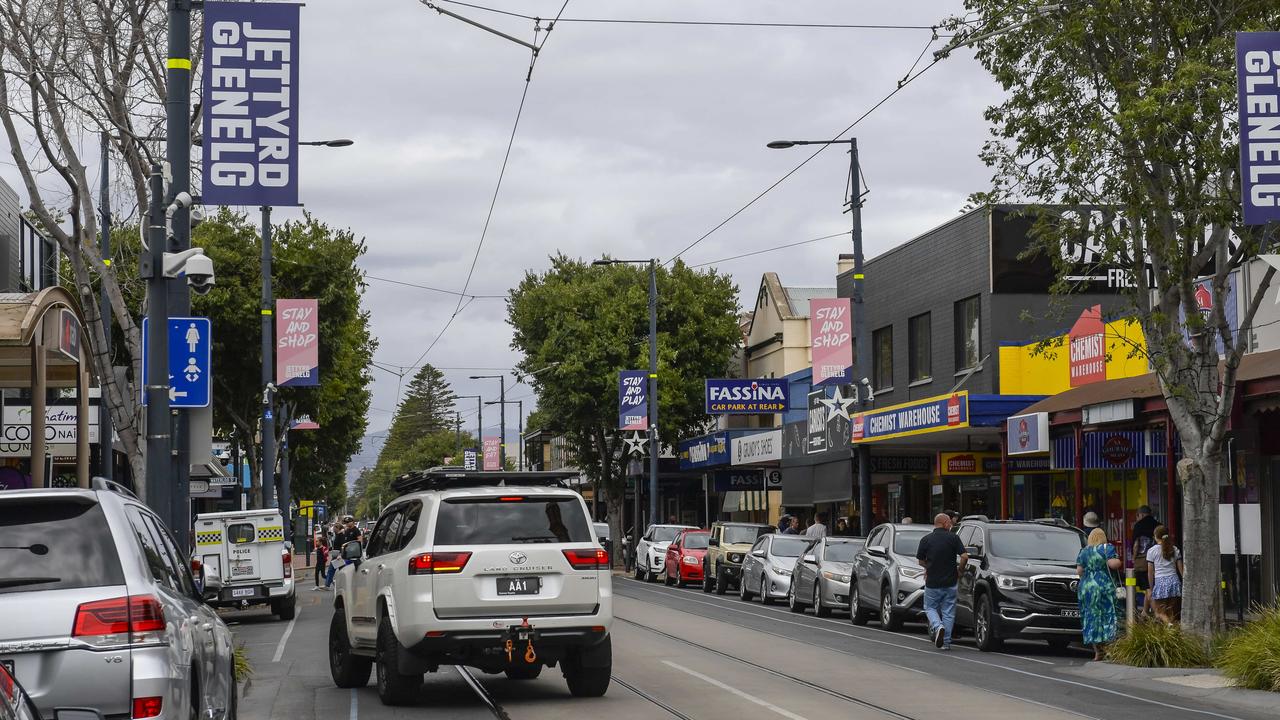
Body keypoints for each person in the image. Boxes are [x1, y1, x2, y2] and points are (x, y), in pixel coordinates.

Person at [916, 513, 969, 650]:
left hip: (932, 581)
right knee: (948, 612)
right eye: (949, 523)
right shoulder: (954, 538)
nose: (951, 525)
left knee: (930, 607)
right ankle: (945, 643)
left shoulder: (926, 540)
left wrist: (929, 567)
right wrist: (960, 571)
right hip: (951, 581)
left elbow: (921, 560)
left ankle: (938, 626)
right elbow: (964, 556)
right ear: (944, 523)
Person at [1076, 528, 1122, 660]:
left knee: (1091, 617)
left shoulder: (1084, 551)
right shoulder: (1107, 548)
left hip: (1087, 588)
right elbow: (1113, 565)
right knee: (1109, 615)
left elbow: (1079, 570)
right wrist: (1118, 561)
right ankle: (1110, 649)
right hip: (1104, 586)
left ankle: (1097, 652)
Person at [1146, 525, 1184, 624]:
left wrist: (1151, 586)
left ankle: (1169, 626)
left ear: (1155, 536)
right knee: (1170, 610)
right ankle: (1170, 633)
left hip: (1161, 583)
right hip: (1174, 581)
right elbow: (1181, 569)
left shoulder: (1152, 551)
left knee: (1160, 612)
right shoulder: (1175, 549)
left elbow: (1150, 571)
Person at [1132, 505, 1160, 616]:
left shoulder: (1138, 526)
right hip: (1158, 562)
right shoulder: (1158, 525)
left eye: (1137, 515)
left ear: (1141, 514)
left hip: (1143, 562)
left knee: (1148, 588)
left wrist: (1134, 558)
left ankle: (1158, 614)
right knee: (1149, 587)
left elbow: (1135, 545)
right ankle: (1145, 611)